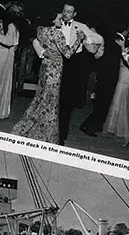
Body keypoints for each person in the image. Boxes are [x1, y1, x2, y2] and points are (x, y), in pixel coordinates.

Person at [12, 14, 86, 143]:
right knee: (51, 101)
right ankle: (45, 133)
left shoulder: (40, 30)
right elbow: (68, 54)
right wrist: (78, 39)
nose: (61, 21)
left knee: (41, 97)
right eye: (59, 19)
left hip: (45, 66)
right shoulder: (58, 34)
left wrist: (44, 52)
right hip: (55, 69)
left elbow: (36, 41)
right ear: (52, 20)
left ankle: (31, 124)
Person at [57, 3, 104, 144]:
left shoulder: (80, 25)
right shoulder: (56, 23)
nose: (66, 14)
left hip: (71, 66)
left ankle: (61, 136)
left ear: (75, 14)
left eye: (69, 12)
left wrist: (85, 38)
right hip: (54, 63)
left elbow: (99, 39)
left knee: (65, 103)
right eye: (64, 10)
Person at [103, 28, 129, 146]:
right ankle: (114, 129)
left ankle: (126, 137)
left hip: (127, 79)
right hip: (123, 76)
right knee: (118, 103)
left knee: (124, 106)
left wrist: (121, 47)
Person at [79, 30, 122, 136]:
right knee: (102, 105)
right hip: (108, 80)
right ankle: (89, 127)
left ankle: (93, 126)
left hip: (103, 78)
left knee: (101, 105)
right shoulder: (116, 47)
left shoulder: (106, 44)